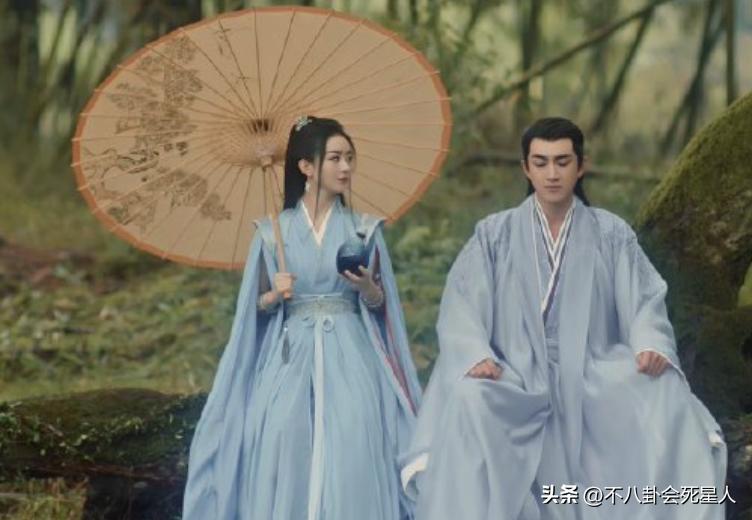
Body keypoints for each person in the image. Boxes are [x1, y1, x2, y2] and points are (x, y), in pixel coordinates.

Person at [400, 117, 727, 520]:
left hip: (593, 365)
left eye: (562, 161)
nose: (552, 174)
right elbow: (462, 304)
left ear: (581, 166)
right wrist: (475, 353)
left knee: (662, 391)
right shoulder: (494, 234)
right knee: (472, 397)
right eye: (541, 162)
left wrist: (649, 342)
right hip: (515, 370)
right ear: (526, 168)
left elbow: (643, 299)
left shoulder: (611, 233)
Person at [182, 116, 421, 519]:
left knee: (354, 437)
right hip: (290, 354)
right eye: (335, 158)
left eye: (349, 158)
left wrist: (367, 288)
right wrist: (275, 294)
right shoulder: (271, 232)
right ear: (306, 166)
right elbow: (253, 309)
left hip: (351, 352)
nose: (345, 167)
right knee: (281, 434)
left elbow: (384, 306)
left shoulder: (363, 230)